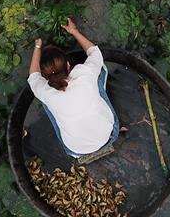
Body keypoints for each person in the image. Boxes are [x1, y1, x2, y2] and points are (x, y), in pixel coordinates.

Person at [27, 18, 122, 158]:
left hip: (75, 150)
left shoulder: (46, 92)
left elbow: (33, 77)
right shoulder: (83, 73)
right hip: (110, 134)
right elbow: (95, 53)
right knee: (98, 70)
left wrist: (37, 47)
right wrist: (74, 32)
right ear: (68, 65)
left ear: (44, 75)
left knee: (45, 101)